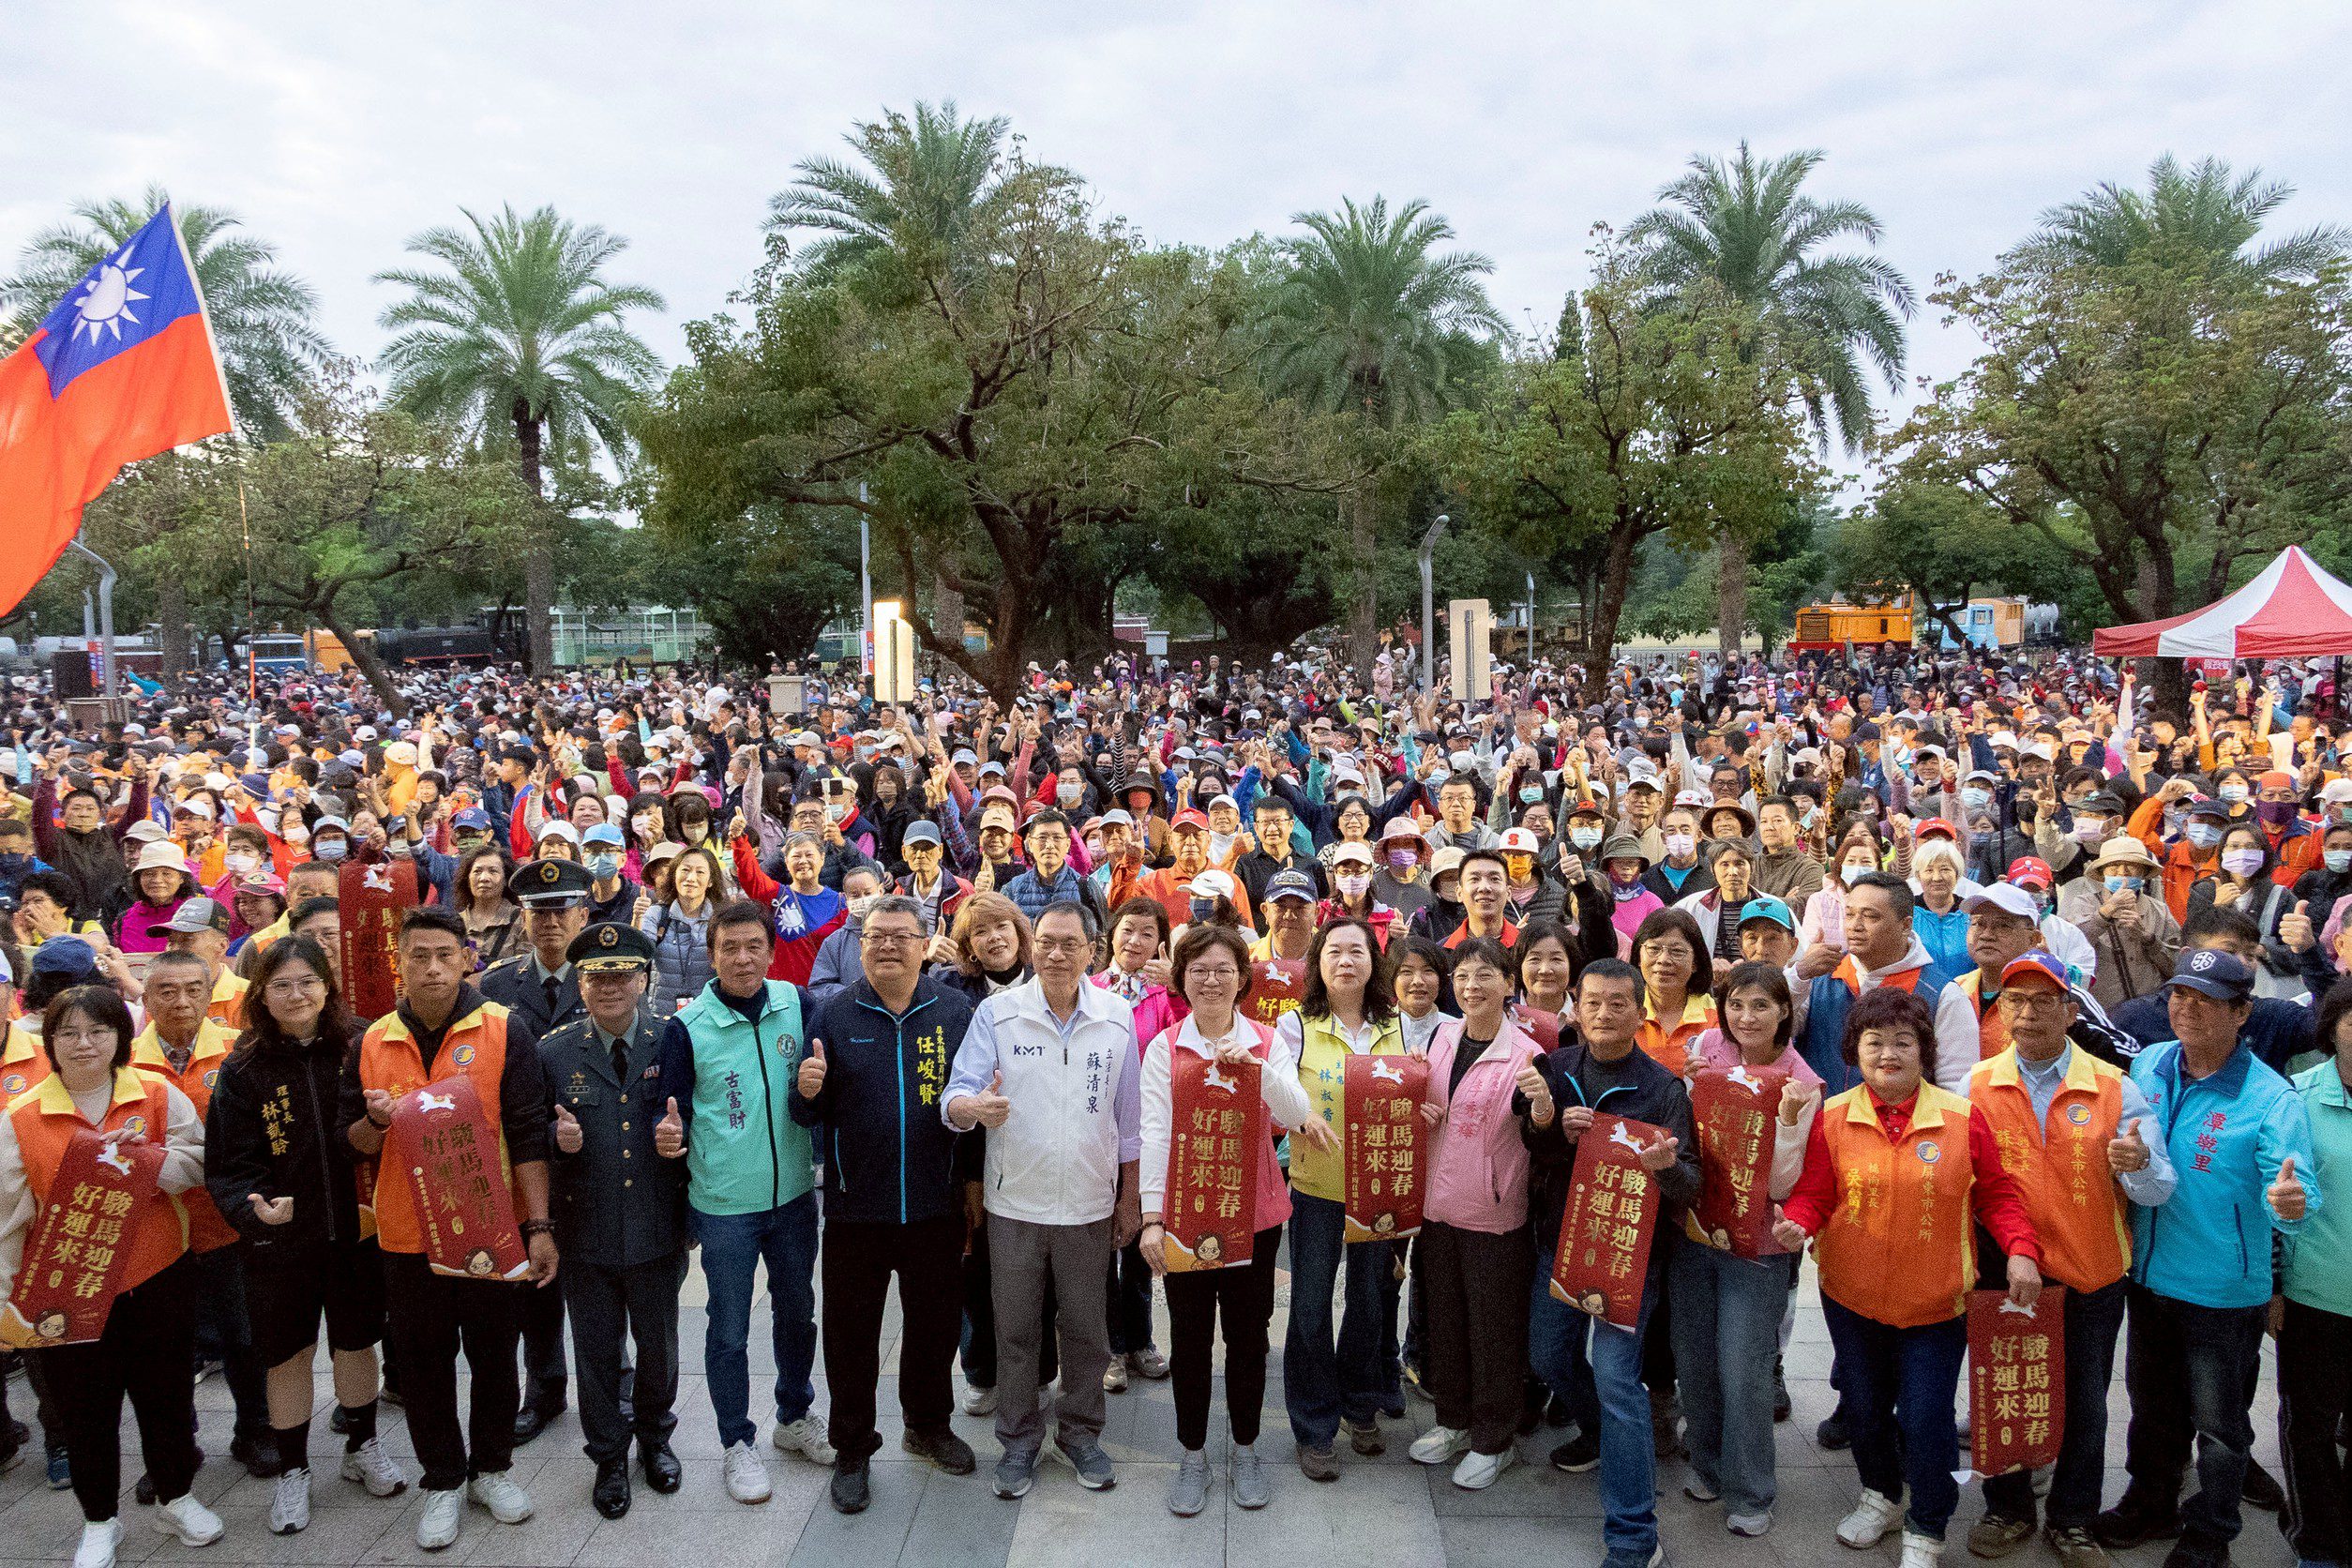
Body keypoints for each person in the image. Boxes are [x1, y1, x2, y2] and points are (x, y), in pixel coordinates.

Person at [1773, 988, 2043, 1568]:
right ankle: (1881, 1495)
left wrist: (2021, 1250)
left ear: (1925, 1051)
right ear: (1855, 1051)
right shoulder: (1834, 1116)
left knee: (1925, 1416)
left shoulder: (1961, 1118)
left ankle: (1929, 1520)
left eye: (1903, 1042)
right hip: (1852, 1294)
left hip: (1937, 1299)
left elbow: (1998, 1195)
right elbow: (1815, 1192)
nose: (1888, 1054)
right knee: (1864, 1408)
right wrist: (1798, 1223)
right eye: (1875, 1042)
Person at [2093, 948, 2319, 1568]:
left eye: (2207, 1000)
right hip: (2149, 1278)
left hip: (2222, 1290)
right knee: (2151, 1407)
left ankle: (2211, 1531)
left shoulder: (2271, 1097)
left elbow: (2295, 1190)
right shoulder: (2152, 1063)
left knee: (2220, 1426)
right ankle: (2151, 1503)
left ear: (2242, 1012)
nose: (2186, 1009)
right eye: (2180, 995)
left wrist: (2291, 1201)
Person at [344, 908, 557, 1552]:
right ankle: (442, 1478)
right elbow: (350, 1143)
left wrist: (539, 1225)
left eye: (445, 955)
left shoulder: (503, 1028)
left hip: (490, 1226)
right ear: (400, 963)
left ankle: (491, 1469)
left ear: (467, 958)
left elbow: (528, 1131)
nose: (433, 969)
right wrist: (376, 1123)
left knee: (494, 1354)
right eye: (419, 956)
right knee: (423, 1361)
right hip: (408, 1233)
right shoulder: (371, 1040)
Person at [1962, 950, 2174, 1567]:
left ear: (2071, 1011)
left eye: (2043, 1001)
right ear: (2002, 1012)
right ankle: (2007, 1509)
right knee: (2006, 1389)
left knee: (2084, 1403)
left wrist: (2137, 1167)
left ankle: (2073, 1519)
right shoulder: (1975, 1085)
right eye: (2016, 1002)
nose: (2028, 1014)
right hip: (2005, 1267)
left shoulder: (2114, 1087)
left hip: (2090, 1268)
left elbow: (2159, 1188)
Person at [0, 985, 222, 1568]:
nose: (84, 1044)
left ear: (121, 1037)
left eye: (98, 1031)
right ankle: (99, 1520)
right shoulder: (22, 1117)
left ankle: (177, 1496)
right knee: (84, 1409)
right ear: (49, 1042)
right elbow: (8, 1221)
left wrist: (144, 1159)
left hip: (157, 1275)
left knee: (166, 1395)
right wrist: (8, 1305)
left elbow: (201, 1161)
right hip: (67, 1289)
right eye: (68, 1033)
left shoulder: (156, 1094)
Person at [202, 938, 405, 1538]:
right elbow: (228, 1164)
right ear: (261, 995)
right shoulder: (243, 1067)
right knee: (287, 1354)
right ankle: (294, 1468)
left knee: (356, 1343)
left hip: (357, 1231)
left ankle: (362, 1445)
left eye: (308, 982)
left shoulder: (360, 1044)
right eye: (281, 985)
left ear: (328, 986)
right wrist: (252, 1206)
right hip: (279, 1242)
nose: (296, 995)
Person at [943, 901, 1142, 1500]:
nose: (1056, 954)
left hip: (1088, 1203)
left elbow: (1130, 1122)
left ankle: (1080, 1433)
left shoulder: (1117, 1018)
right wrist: (973, 1109)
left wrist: (1130, 1200)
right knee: (1015, 1329)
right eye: (1047, 942)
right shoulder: (997, 1014)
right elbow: (955, 1096)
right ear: (1033, 948)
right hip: (1015, 1204)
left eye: (1069, 944)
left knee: (1086, 1329)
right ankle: (1018, 1439)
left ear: (1092, 952)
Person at [792, 895, 979, 1514]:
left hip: (935, 1204)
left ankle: (927, 1425)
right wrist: (806, 1092)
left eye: (902, 935)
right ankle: (852, 1447)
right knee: (851, 1336)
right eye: (876, 936)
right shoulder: (833, 1012)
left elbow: (971, 1110)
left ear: (927, 944)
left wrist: (971, 1188)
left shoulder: (953, 1011)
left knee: (935, 1326)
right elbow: (806, 1114)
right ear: (861, 945)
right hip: (856, 1210)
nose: (888, 946)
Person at [653, 899, 836, 1503]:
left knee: (797, 1313)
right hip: (724, 1204)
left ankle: (794, 1415)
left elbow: (814, 1100)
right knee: (729, 1325)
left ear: (771, 950)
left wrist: (812, 1091)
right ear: (712, 956)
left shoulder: (797, 1005)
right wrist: (668, 1137)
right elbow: (671, 1114)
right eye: (729, 948)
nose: (742, 958)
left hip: (793, 1198)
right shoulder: (688, 1028)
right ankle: (736, 1440)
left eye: (754, 945)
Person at [1522, 958, 1699, 1568]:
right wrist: (1550, 1127)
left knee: (1618, 1380)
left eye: (1617, 1003)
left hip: (1630, 1253)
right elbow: (1531, 1148)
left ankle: (1633, 1535)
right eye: (1592, 1002)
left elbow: (1692, 1183)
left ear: (1638, 1010)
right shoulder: (1557, 1069)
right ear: (1575, 1007)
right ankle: (1602, 1435)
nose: (1602, 1014)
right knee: (1547, 1355)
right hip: (1562, 1241)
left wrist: (1665, 1168)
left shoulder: (1662, 1089)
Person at [1138, 923, 1318, 1515]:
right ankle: (1192, 1454)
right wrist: (1152, 1218)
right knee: (1189, 1338)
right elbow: (1155, 1132)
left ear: (1243, 979)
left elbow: (1295, 1111)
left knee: (1247, 1337)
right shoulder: (1166, 1048)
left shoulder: (1267, 1040)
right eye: (1199, 970)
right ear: (1181, 979)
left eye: (1223, 971)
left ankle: (1245, 1449)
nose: (1211, 981)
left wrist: (1257, 1071)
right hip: (1188, 1214)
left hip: (1254, 1215)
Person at [538, 922, 687, 1520]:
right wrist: (556, 1140)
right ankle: (607, 1456)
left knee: (659, 1345)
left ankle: (654, 1437)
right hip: (586, 1231)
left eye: (622, 975)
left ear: (644, 979)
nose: (609, 987)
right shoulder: (553, 1052)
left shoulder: (672, 1039)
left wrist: (681, 1136)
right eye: (596, 976)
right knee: (596, 1350)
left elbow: (696, 1112)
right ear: (580, 982)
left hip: (656, 1223)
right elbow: (527, 1136)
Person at [1672, 961, 1819, 1539]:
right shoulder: (1707, 1047)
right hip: (1696, 1230)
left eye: (1761, 1005)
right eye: (1736, 1004)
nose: (1746, 1017)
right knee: (1694, 1360)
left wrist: (1788, 1123)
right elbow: (1689, 1136)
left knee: (1743, 1367)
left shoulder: (1801, 1080)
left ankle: (1752, 1489)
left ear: (1784, 1011)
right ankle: (1707, 1465)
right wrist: (1688, 1085)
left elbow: (1784, 1184)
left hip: (1757, 1246)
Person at [129, 950, 271, 1483]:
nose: (181, 1002)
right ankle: (173, 1452)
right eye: (167, 991)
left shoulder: (241, 1051)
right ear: (146, 999)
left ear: (211, 994)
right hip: (155, 1227)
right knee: (164, 1349)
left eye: (193, 989)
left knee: (244, 1336)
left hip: (226, 1223)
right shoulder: (124, 1062)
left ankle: (255, 1430)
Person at [1275, 917, 1409, 1479]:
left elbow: (1421, 1085)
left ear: (1375, 962)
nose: (1346, 961)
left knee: (1370, 1301)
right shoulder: (1294, 1026)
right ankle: (1314, 1427)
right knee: (1309, 1307)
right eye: (1334, 951)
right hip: (1317, 1190)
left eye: (1357, 951)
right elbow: (1276, 1090)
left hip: (1380, 1189)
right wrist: (1299, 1113)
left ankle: (1360, 1405)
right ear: (1318, 962)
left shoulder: (1400, 1024)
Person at [1408, 937, 1540, 1490]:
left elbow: (1536, 1131)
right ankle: (1453, 1421)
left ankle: (1493, 1439)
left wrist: (1543, 1107)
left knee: (1493, 1331)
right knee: (1445, 1322)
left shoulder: (1527, 1054)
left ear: (1509, 983)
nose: (1471, 986)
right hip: (1437, 1208)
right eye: (1462, 976)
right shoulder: (1442, 1037)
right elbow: (1430, 1102)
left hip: (1492, 1215)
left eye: (1485, 975)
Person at [478, 857, 590, 1446]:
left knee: (601, 1276)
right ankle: (544, 1386)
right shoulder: (497, 985)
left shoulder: (606, 973)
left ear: (583, 915)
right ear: (523, 917)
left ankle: (615, 1379)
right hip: (523, 1154)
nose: (550, 922)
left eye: (562, 910)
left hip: (592, 1152)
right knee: (535, 1278)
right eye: (538, 911)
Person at [2277, 977, 2352, 1568]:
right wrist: (2274, 1287)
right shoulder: (2296, 1097)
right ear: (2332, 1027)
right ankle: (2318, 1541)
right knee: (2310, 1425)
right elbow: (2271, 1197)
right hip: (2316, 1294)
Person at [1793, 871, 1980, 1097]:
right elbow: (1773, 1033)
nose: (1855, 926)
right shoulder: (1818, 974)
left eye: (1870, 916)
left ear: (1905, 925)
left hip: (1908, 1120)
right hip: (1824, 1118)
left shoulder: (1943, 994)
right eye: (1849, 914)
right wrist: (1797, 976)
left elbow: (1957, 1091)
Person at [2059, 836, 2182, 1013]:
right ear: (2103, 873)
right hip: (2104, 1011)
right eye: (2114, 866)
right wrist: (2105, 913)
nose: (2122, 872)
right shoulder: (2084, 904)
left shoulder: (2159, 910)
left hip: (2152, 1011)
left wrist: (2147, 938)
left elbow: (2176, 966)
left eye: (2131, 866)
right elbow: (2070, 948)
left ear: (2143, 872)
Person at [1632, 908, 1716, 1076]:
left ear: (1695, 963)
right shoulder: (1624, 1012)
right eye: (1654, 949)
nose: (1663, 960)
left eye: (1677, 951)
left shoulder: (1718, 1018)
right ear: (1638, 957)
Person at [640, 842, 719, 1017]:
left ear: (711, 881)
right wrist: (637, 919)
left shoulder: (720, 920)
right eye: (685, 870)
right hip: (661, 1018)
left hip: (708, 1017)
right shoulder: (656, 914)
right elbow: (639, 958)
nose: (691, 878)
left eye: (700, 872)